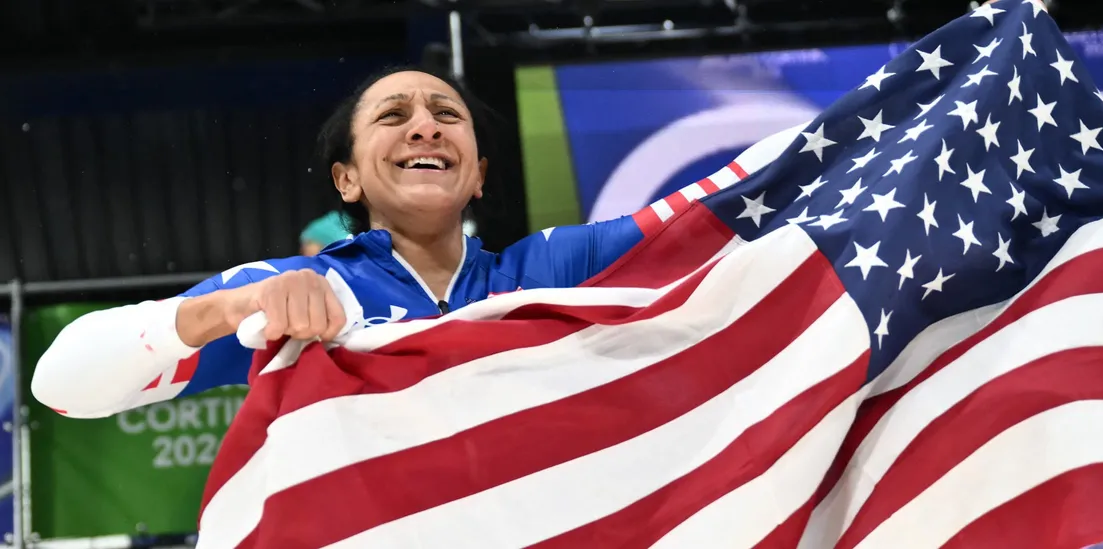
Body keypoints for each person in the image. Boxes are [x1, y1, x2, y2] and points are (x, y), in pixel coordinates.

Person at [32, 66, 646, 419]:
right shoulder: (290, 296)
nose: (425, 126)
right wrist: (232, 308)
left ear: (478, 174)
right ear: (346, 179)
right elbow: (60, 390)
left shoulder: (552, 267)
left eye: (445, 115)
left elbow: (716, 219)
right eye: (392, 116)